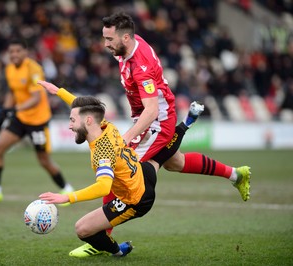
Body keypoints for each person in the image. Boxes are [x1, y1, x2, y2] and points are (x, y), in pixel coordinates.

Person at [41, 11, 251, 258]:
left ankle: (100, 238)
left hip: (156, 122)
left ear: (126, 38)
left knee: (118, 165)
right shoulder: (126, 48)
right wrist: (62, 92)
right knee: (176, 162)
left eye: (109, 39)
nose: (105, 44)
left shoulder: (141, 66)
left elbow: (151, 111)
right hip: (146, 117)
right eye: (104, 37)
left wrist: (126, 138)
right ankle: (236, 174)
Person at [38, 92, 159, 257]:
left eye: (72, 120)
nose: (69, 126)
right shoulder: (105, 125)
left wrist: (67, 197)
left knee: (82, 229)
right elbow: (84, 109)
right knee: (167, 156)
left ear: (87, 121)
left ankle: (118, 252)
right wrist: (58, 91)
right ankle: (186, 123)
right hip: (143, 174)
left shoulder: (102, 151)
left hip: (135, 199)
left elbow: (103, 187)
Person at [0, 39, 73, 203]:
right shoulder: (9, 69)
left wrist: (14, 110)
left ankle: (67, 190)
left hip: (38, 122)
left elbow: (36, 98)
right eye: (11, 51)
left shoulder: (34, 69)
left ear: (25, 52)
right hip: (20, 119)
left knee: (43, 160)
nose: (14, 55)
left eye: (17, 51)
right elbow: (12, 93)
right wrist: (4, 112)